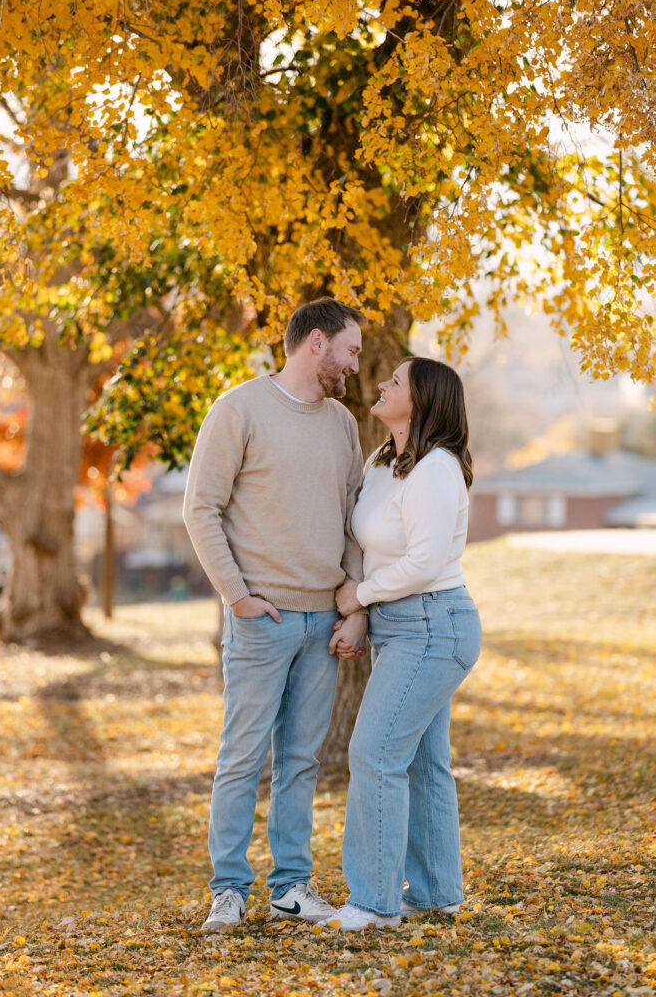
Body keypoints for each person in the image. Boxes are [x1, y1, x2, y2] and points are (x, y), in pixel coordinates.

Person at [183, 297, 369, 931]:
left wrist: (352, 598)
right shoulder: (237, 409)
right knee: (242, 756)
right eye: (349, 349)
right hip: (261, 619)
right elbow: (200, 508)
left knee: (301, 760)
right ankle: (228, 890)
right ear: (315, 342)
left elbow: (353, 517)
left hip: (323, 622)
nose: (354, 362)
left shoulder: (343, 422)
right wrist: (237, 596)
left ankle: (290, 886)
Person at [327, 356, 481, 931]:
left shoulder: (436, 469)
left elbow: (423, 563)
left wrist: (359, 597)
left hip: (434, 625)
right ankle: (437, 893)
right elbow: (372, 547)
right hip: (401, 626)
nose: (383, 383)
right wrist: (366, 609)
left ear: (421, 402)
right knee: (421, 763)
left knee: (374, 753)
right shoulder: (384, 463)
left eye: (397, 380)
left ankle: (373, 903)